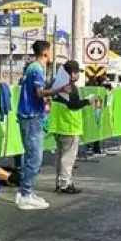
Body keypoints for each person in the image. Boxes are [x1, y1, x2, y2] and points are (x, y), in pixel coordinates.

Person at [17, 40, 66, 211]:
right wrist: (58, 90)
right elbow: (39, 93)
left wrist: (53, 85)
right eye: (50, 51)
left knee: (31, 156)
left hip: (31, 115)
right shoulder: (36, 68)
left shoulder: (34, 68)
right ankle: (25, 194)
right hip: (31, 116)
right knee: (35, 157)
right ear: (45, 52)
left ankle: (26, 191)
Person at [50, 60, 85, 195]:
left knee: (60, 156)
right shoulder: (70, 87)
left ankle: (60, 182)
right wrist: (88, 101)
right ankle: (65, 183)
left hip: (58, 126)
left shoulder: (56, 84)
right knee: (67, 158)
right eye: (77, 73)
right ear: (72, 74)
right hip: (69, 126)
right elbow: (74, 104)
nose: (78, 75)